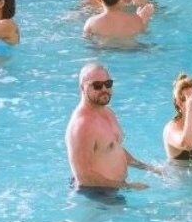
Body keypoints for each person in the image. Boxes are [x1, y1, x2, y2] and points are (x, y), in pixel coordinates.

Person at [65, 61, 159, 192]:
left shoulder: (107, 112)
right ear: (82, 88)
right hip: (97, 195)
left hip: (113, 188)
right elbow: (83, 177)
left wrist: (146, 167)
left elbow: (114, 147)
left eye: (108, 84)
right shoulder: (82, 125)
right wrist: (128, 187)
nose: (104, 89)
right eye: (97, 85)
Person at [84, 0, 154, 40]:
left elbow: (87, 40)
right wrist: (144, 20)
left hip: (104, 49)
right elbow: (143, 33)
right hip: (131, 49)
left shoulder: (91, 22)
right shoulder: (135, 19)